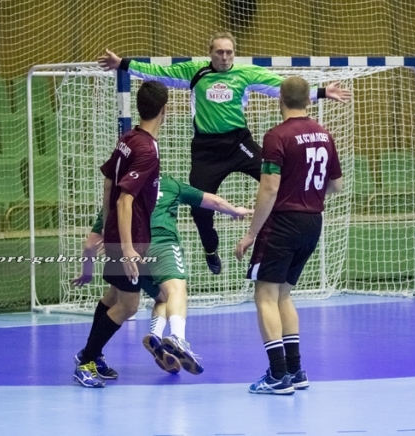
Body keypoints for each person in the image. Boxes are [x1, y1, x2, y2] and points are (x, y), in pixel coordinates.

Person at [98, 31, 351, 275]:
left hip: (238, 143)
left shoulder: (245, 74)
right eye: (219, 52)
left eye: (229, 52)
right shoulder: (195, 71)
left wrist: (321, 92)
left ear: (234, 54)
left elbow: (282, 88)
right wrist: (122, 64)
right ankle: (211, 249)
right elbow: (158, 72)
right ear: (210, 53)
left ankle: (278, 234)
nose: (225, 57)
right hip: (206, 150)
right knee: (199, 209)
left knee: (280, 182)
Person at [73, 175, 253, 376]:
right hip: (161, 244)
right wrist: (234, 210)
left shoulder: (121, 196)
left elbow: (91, 244)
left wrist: (87, 272)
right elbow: (212, 201)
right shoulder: (169, 184)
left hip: (131, 252)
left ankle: (150, 336)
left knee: (124, 297)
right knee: (175, 290)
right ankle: (177, 336)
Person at [235, 76, 343, 395]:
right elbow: (336, 185)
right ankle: (295, 371)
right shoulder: (324, 134)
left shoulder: (277, 136)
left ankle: (278, 375)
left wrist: (251, 234)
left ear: (280, 99)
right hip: (313, 222)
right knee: (283, 294)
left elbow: (269, 188)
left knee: (265, 295)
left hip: (282, 223)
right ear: (309, 100)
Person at [72, 80, 168, 388]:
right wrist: (127, 248)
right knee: (129, 305)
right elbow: (125, 198)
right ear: (164, 110)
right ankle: (86, 361)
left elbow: (108, 181)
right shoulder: (147, 149)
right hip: (131, 236)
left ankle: (91, 355)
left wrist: (105, 224)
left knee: (113, 296)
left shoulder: (128, 138)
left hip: (118, 229)